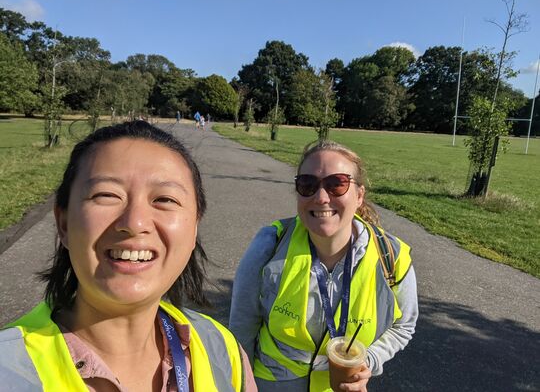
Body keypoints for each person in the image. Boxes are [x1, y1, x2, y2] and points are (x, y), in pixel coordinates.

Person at [0, 120, 256, 391]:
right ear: (63, 223)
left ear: (194, 228)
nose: (134, 222)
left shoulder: (222, 349)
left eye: (165, 199)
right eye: (107, 195)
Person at [229, 140, 418, 392]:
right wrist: (242, 383)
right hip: (272, 383)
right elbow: (242, 327)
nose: (320, 197)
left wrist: (368, 360)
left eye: (336, 184)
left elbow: (403, 326)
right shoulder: (270, 244)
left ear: (359, 195)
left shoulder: (391, 257)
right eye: (307, 185)